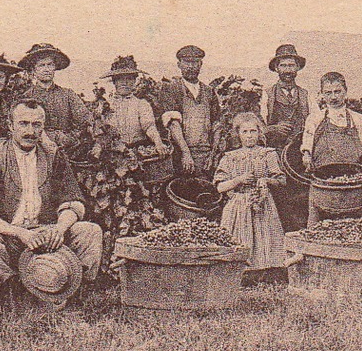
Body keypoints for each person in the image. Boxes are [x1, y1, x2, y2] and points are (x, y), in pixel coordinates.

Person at [0, 98, 104, 306]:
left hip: (49, 234)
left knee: (90, 231)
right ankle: (11, 297)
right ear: (10, 126)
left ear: (43, 127)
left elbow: (74, 201)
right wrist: (20, 233)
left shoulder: (53, 156)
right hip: (13, 236)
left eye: (37, 125)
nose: (30, 131)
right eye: (23, 124)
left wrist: (59, 229)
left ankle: (73, 293)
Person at [299, 71, 362, 226]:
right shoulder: (315, 118)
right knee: (318, 225)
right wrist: (306, 155)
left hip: (352, 183)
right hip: (324, 181)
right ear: (321, 94)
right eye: (328, 93)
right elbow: (307, 142)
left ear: (345, 91)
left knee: (354, 225)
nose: (333, 97)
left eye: (337, 92)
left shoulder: (358, 119)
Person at [214, 112, 287, 276]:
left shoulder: (268, 154)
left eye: (253, 131)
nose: (249, 136)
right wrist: (238, 180)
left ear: (259, 133)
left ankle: (264, 273)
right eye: (245, 132)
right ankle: (237, 272)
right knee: (239, 238)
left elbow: (281, 180)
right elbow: (220, 187)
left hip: (262, 202)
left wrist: (266, 181)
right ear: (238, 134)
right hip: (237, 204)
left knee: (264, 238)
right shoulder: (230, 157)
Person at [158, 44, 221, 176]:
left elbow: (216, 125)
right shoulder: (171, 89)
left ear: (201, 64)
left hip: (206, 155)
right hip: (181, 155)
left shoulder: (209, 92)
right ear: (179, 64)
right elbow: (173, 124)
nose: (191, 67)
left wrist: (213, 154)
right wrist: (186, 154)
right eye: (187, 62)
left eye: (195, 62)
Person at [17, 43, 90, 154]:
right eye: (41, 65)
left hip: (68, 151)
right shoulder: (26, 97)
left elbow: (84, 120)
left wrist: (70, 138)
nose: (46, 69)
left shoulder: (68, 95)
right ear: (33, 70)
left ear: (54, 68)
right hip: (35, 151)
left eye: (50, 65)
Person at [100, 56, 168, 156]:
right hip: (113, 154)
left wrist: (158, 142)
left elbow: (149, 127)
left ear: (134, 81)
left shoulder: (141, 104)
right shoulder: (105, 105)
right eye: (120, 79)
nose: (125, 83)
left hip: (138, 152)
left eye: (129, 79)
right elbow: (100, 132)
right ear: (114, 82)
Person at [261, 43, 310, 147]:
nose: (288, 70)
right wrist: (273, 128)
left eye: (291, 65)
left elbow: (315, 123)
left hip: (300, 149)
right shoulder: (266, 95)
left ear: (297, 67)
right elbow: (258, 127)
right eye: (283, 65)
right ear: (276, 68)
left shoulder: (306, 95)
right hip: (273, 149)